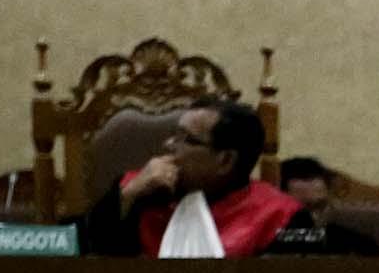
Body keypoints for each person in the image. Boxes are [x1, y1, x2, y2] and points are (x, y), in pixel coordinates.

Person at [73, 99, 297, 259]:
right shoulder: (139, 192)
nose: (168, 144)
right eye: (174, 134)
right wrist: (128, 195)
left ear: (225, 160)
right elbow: (82, 248)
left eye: (185, 139)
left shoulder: (280, 215)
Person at [265, 155, 379, 257]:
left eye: (320, 206)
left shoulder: (343, 236)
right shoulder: (270, 234)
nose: (314, 216)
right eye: (303, 208)